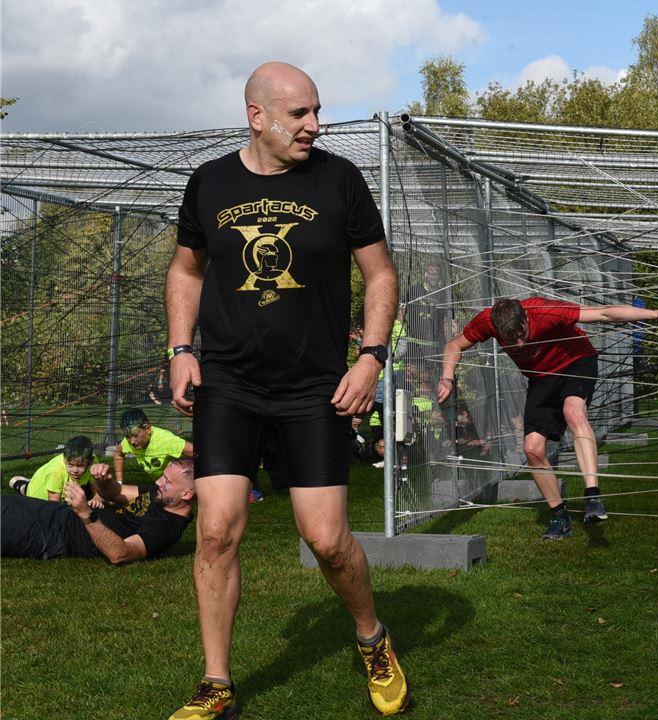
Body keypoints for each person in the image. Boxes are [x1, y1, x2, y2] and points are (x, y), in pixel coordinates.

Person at [165, 62, 408, 718]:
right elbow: (186, 271)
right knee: (216, 531)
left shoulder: (339, 179)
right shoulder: (210, 183)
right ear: (257, 116)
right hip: (228, 383)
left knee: (325, 539)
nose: (315, 125)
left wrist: (371, 358)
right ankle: (217, 684)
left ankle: (372, 637)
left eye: (316, 111)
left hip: (314, 388)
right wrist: (181, 349)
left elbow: (381, 274)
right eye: (300, 113)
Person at [438, 295, 658, 540]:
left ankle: (593, 496)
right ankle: (560, 518)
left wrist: (654, 314)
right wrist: (447, 378)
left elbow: (603, 313)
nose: (519, 343)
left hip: (576, 361)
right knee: (532, 449)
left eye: (522, 333)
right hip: (541, 378)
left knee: (573, 411)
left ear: (525, 317)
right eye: (511, 340)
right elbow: (454, 345)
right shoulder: (487, 321)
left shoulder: (544, 310)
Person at [2, 458, 196, 563]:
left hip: (57, 537)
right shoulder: (160, 494)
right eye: (162, 476)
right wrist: (104, 480)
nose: (158, 482)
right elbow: (115, 492)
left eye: (167, 481)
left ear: (186, 495)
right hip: (59, 513)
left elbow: (120, 554)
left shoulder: (166, 527)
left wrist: (86, 514)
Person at [113, 408, 194, 484]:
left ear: (148, 428)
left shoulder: (165, 440)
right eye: (127, 436)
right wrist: (119, 482)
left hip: (180, 485)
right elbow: (118, 453)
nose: (132, 441)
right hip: (160, 485)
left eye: (136, 435)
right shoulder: (129, 441)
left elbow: (197, 453)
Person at [8, 435, 100, 502]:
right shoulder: (56, 472)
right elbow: (53, 506)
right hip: (40, 499)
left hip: (64, 492)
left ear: (90, 462)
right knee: (28, 491)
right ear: (64, 459)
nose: (75, 470)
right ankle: (22, 485)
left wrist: (96, 500)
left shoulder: (93, 461)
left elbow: (97, 490)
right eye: (71, 465)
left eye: (80, 466)